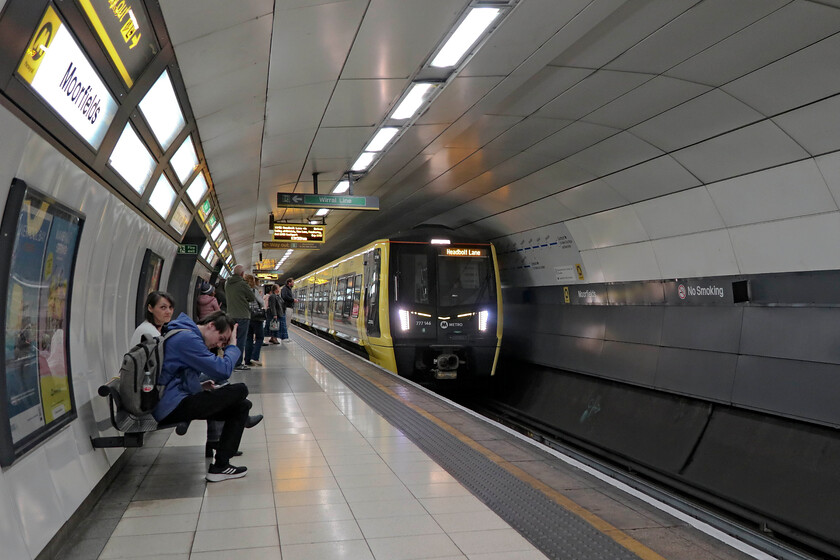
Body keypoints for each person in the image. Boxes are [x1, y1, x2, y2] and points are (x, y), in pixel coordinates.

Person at [152, 310, 263, 482]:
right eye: (221, 339)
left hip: (174, 400)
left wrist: (200, 386)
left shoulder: (186, 335)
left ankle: (221, 466)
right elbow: (223, 370)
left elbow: (177, 374)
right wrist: (233, 345)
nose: (219, 345)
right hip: (169, 407)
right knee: (240, 390)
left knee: (242, 406)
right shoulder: (187, 339)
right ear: (211, 326)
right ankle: (220, 462)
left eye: (224, 342)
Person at [225, 264, 256, 370]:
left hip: (230, 315)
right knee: (241, 340)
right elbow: (252, 297)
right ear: (242, 274)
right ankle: (238, 363)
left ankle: (229, 361)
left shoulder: (227, 283)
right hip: (242, 315)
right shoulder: (243, 284)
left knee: (231, 339)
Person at [243, 274, 264, 367]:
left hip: (246, 316)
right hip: (256, 316)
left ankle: (247, 360)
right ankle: (255, 357)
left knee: (249, 338)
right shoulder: (254, 290)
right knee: (260, 337)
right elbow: (261, 302)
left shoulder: (242, 290)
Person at [279, 277, 297, 342]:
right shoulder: (285, 289)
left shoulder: (288, 289)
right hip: (287, 307)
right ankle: (284, 337)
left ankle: (285, 336)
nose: (293, 283)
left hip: (289, 307)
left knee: (287, 322)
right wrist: (293, 300)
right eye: (292, 282)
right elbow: (284, 297)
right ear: (289, 283)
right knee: (285, 322)